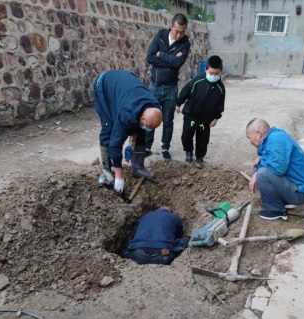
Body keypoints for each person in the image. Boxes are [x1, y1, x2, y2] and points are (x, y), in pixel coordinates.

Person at [92, 70, 162, 194]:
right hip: (104, 87)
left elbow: (139, 126)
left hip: (124, 89)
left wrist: (131, 145)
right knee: (109, 128)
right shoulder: (127, 113)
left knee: (141, 130)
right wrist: (119, 176)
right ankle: (107, 172)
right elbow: (115, 145)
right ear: (142, 119)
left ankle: (138, 167)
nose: (149, 130)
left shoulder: (154, 106)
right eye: (147, 126)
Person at [246, 118, 304, 221]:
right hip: (295, 186)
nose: (250, 141)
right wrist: (260, 163)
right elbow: (265, 158)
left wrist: (257, 173)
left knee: (262, 174)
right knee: (259, 167)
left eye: (249, 137)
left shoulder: (275, 140)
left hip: (300, 193)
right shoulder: (272, 138)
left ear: (259, 134)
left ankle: (276, 210)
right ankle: (281, 200)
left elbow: (278, 169)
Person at [145, 13, 191, 159]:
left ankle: (165, 147)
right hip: (155, 86)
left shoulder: (185, 43)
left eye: (182, 32)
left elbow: (178, 63)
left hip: (171, 88)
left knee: (168, 121)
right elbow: (150, 57)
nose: (179, 35)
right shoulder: (160, 36)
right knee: (150, 117)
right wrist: (170, 60)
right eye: (177, 31)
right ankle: (147, 146)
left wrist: (161, 54)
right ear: (171, 26)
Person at [176, 55, 225, 168]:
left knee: (203, 139)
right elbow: (185, 92)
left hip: (205, 119)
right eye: (211, 73)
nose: (213, 76)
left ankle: (200, 157)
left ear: (220, 72)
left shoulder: (220, 88)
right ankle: (188, 151)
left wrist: (216, 118)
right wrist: (178, 103)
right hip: (191, 115)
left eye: (216, 74)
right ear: (206, 69)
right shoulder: (197, 81)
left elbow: (220, 105)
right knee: (186, 136)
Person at [124, 206, 189, 265]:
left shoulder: (144, 216)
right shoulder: (174, 217)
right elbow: (179, 236)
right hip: (162, 253)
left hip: (138, 253)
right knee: (185, 241)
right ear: (170, 212)